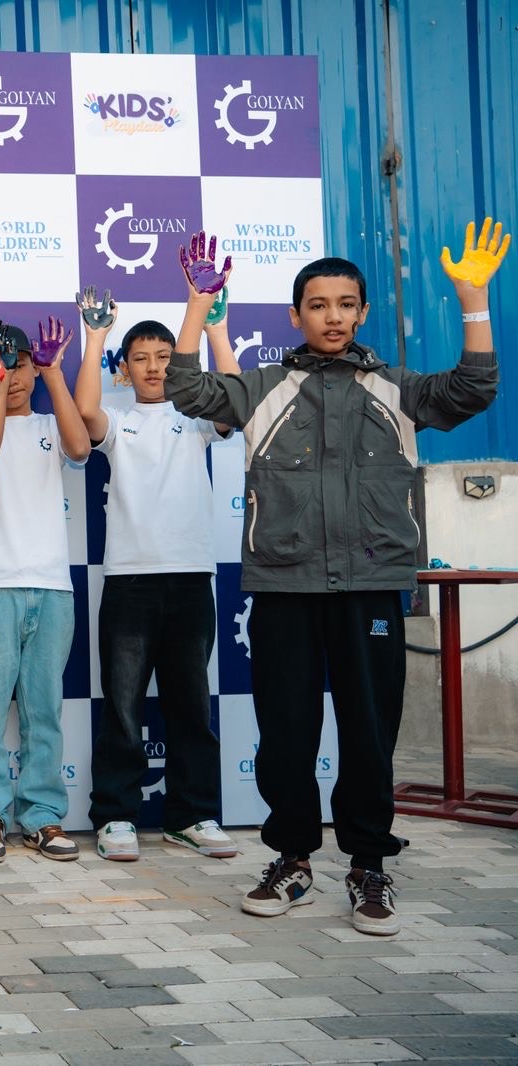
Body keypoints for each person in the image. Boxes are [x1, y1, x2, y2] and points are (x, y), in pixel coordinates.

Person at [166, 219, 506, 936]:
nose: (333, 316)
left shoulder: (397, 388)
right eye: (318, 305)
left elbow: (474, 389)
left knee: (369, 734)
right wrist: (197, 305)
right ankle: (291, 859)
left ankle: (368, 866)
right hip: (284, 588)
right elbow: (187, 388)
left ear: (362, 312)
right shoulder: (263, 387)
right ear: (295, 315)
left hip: (371, 585)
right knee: (286, 733)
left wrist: (474, 301)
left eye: (346, 304)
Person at [77, 236, 247, 864]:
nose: (152, 368)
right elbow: (85, 410)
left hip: (191, 580)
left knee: (191, 707)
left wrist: (215, 324)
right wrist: (96, 337)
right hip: (129, 583)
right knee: (123, 708)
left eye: (163, 357)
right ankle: (115, 816)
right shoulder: (118, 420)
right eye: (140, 359)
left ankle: (192, 815)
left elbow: (235, 398)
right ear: (123, 369)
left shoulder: (197, 416)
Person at [0, 318, 90, 863]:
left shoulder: (49, 423)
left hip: (51, 588)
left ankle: (42, 815)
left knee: (44, 710)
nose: (12, 377)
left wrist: (54, 372)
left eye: (19, 365)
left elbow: (81, 447)